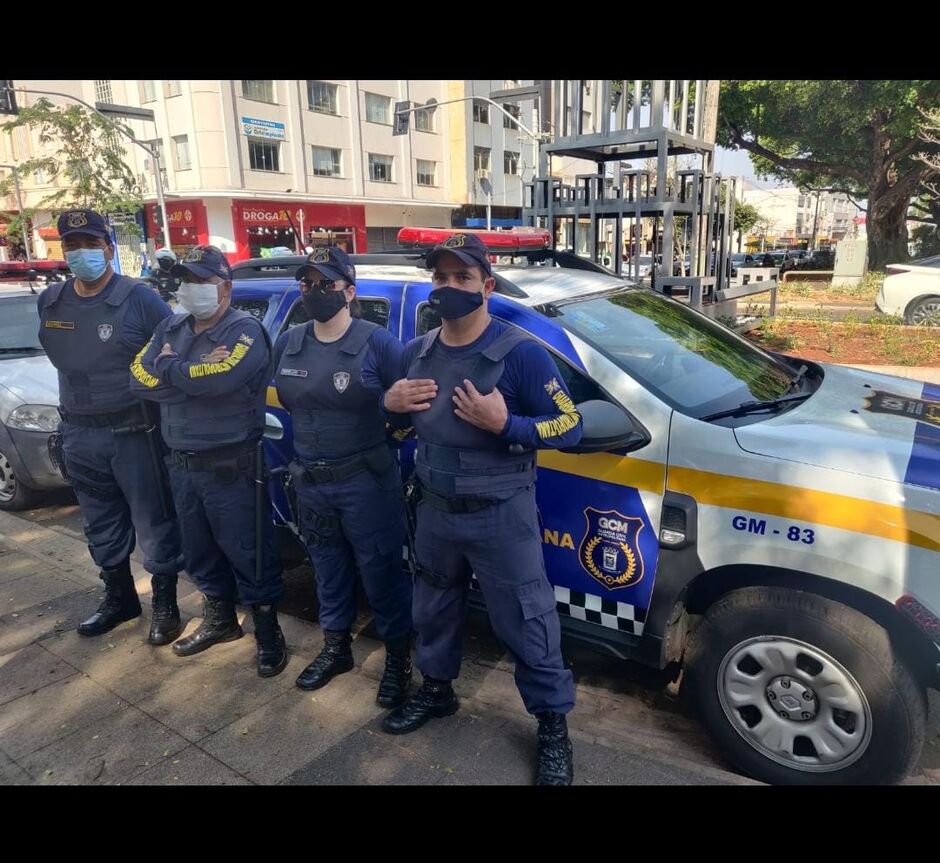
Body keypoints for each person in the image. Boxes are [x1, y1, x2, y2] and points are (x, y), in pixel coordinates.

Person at [381, 232, 583, 785]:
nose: (449, 287)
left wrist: (507, 425)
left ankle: (551, 729)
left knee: (528, 621)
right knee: (433, 609)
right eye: (441, 278)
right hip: (435, 512)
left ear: (487, 286)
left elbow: (572, 425)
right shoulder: (415, 353)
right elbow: (400, 429)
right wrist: (389, 406)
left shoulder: (521, 354)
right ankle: (438, 692)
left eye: (462, 278)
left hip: (501, 515)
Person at [129, 245, 287, 677]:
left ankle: (268, 631)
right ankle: (220, 621)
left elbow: (224, 379)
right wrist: (188, 371)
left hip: (232, 465)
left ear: (226, 288)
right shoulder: (170, 324)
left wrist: (172, 368)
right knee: (198, 549)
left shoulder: (245, 331)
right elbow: (138, 378)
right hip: (182, 462)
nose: (193, 289)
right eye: (188, 280)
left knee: (249, 550)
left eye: (203, 281)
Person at [273, 247, 413, 707]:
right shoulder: (290, 341)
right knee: (327, 569)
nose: (314, 292)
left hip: (366, 483)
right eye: (307, 284)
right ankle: (336, 649)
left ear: (349, 292)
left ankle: (397, 659)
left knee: (381, 573)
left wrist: (384, 445)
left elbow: (408, 409)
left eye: (326, 284)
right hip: (312, 481)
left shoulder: (378, 343)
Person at [37, 209, 182, 645]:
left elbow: (170, 356)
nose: (82, 252)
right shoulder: (52, 300)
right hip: (80, 432)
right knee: (99, 521)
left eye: (90, 244)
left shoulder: (140, 299)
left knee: (154, 521)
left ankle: (165, 605)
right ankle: (119, 599)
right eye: (73, 245)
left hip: (134, 432)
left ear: (109, 247)